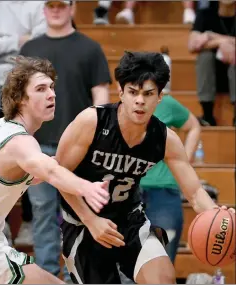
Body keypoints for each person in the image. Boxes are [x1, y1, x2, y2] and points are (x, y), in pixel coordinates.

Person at [55, 51, 235, 284]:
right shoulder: (92, 122)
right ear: (121, 92)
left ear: (160, 97)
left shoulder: (165, 139)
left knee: (162, 279)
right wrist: (90, 220)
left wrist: (219, 219)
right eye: (133, 92)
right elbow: (59, 174)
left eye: (148, 93)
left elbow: (194, 192)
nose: (140, 100)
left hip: (129, 220)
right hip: (83, 223)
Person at [0, 56, 110, 284]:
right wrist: (87, 188)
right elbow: (49, 172)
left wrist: (62, 160)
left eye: (51, 87)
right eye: (40, 89)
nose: (51, 94)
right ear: (20, 98)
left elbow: (26, 174)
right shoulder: (20, 141)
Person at [20, 0, 111, 280]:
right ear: (43, 10)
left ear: (72, 8)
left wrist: (100, 137)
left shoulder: (90, 48)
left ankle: (76, 276)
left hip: (79, 149)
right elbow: (20, 100)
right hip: (38, 148)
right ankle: (47, 277)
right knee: (43, 214)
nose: (55, 10)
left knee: (78, 215)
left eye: (61, 5)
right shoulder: (29, 49)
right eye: (50, 5)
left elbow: (101, 97)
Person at [140, 95, 201, 264]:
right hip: (127, 193)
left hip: (163, 194)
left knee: (162, 267)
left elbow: (193, 126)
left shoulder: (167, 103)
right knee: (125, 272)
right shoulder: (118, 110)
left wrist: (185, 160)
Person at [188, 0, 235, 126]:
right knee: (205, 56)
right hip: (212, 78)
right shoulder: (205, 14)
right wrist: (221, 42)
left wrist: (211, 36)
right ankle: (207, 115)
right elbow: (192, 45)